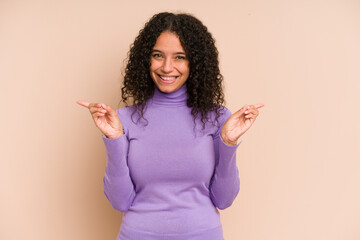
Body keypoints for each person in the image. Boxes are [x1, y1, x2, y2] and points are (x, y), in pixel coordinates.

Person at [77, 12, 264, 240]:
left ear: (194, 62)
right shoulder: (124, 119)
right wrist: (114, 140)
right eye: (158, 55)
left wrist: (228, 143)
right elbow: (120, 201)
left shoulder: (217, 118)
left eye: (179, 57)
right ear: (146, 58)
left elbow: (224, 200)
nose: (167, 67)